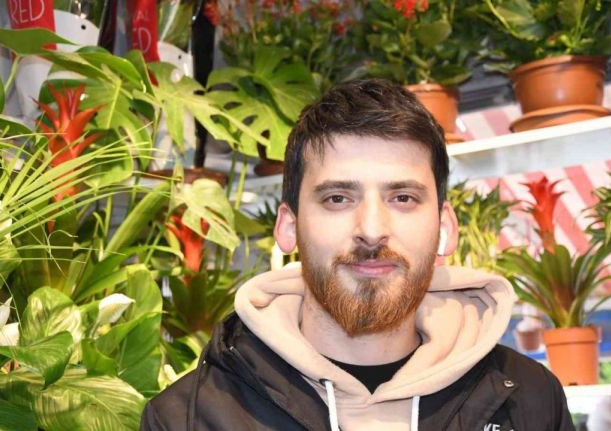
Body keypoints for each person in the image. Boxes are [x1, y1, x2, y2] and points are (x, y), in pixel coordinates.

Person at [141, 78, 575, 431]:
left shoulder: (530, 401)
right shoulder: (186, 418)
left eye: (403, 198)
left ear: (445, 227)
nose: (371, 229)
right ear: (288, 227)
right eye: (337, 198)